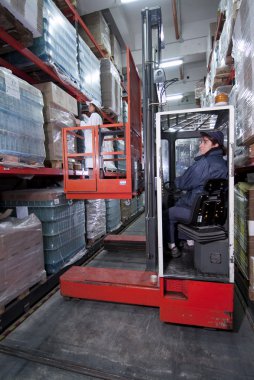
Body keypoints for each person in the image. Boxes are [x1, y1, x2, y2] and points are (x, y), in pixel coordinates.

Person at [164, 130, 228, 258]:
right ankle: (189, 241)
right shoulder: (225, 164)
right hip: (212, 212)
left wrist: (176, 181)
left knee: (167, 214)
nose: (200, 145)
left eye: (205, 142)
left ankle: (172, 246)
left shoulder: (203, 164)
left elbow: (182, 184)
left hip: (195, 212)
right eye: (201, 142)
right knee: (182, 203)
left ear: (215, 145)